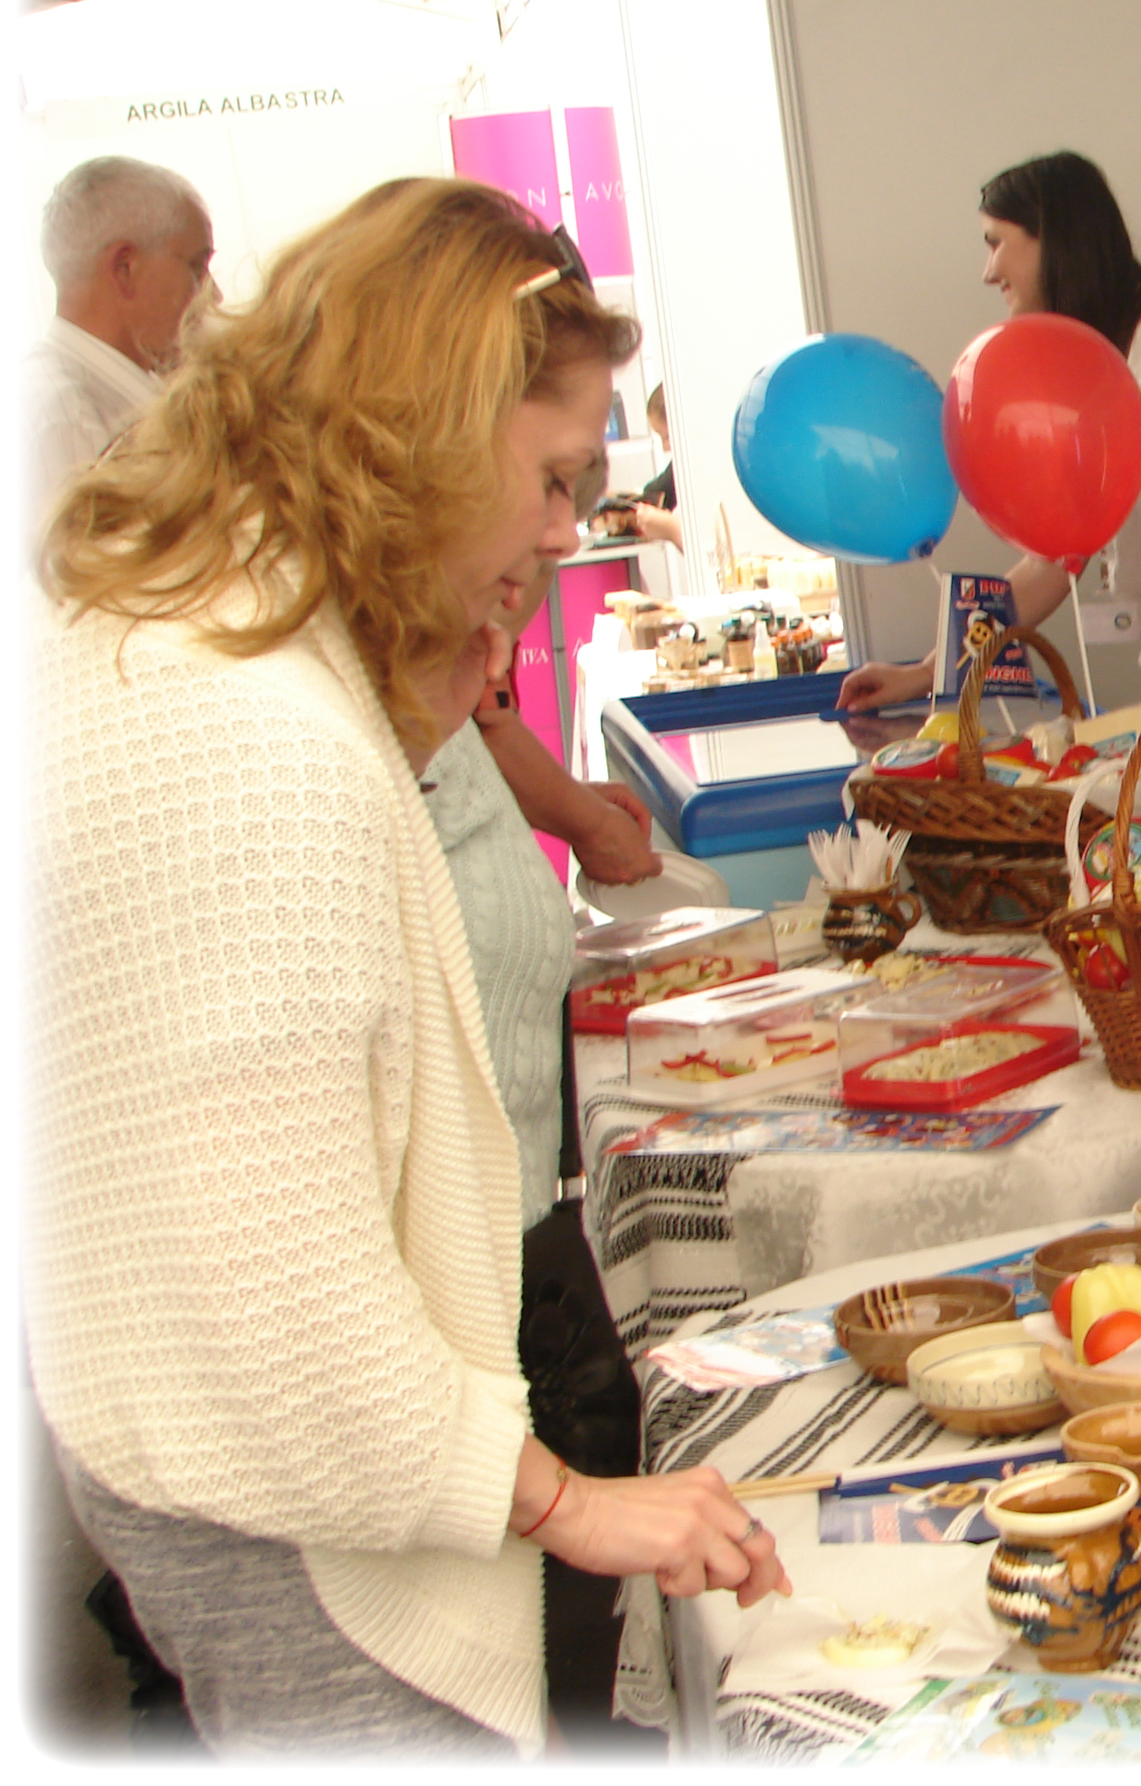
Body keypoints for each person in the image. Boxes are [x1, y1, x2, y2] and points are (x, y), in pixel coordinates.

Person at [32, 178, 790, 1759]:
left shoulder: (215, 640)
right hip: (311, 1548)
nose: (565, 533)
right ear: (430, 432)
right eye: (553, 478)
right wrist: (572, 1504)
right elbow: (288, 1305)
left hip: (223, 1487)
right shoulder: (249, 732)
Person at [835, 151, 1141, 833]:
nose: (988, 271)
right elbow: (1054, 561)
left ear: (1054, 239)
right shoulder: (1094, 367)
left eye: (996, 243)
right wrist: (928, 671)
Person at [23, 155, 218, 510]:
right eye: (196, 267)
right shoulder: (65, 418)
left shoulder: (100, 395)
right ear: (125, 268)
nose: (213, 295)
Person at [594, 380, 684, 548]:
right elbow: (654, 493)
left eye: (667, 437)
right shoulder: (679, 470)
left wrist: (671, 531)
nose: (665, 448)